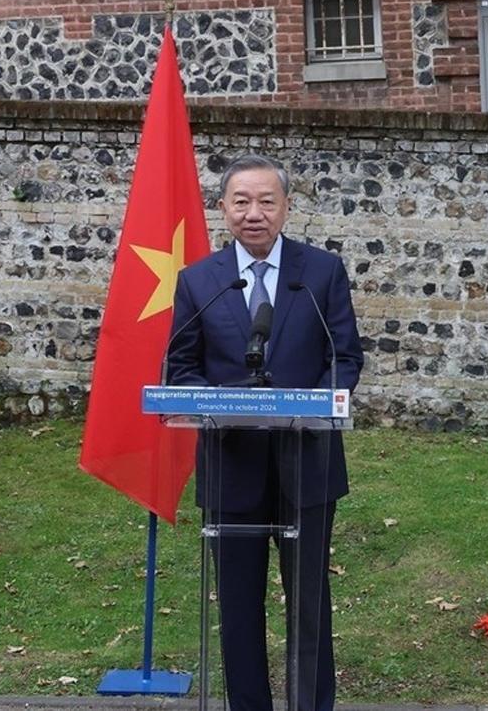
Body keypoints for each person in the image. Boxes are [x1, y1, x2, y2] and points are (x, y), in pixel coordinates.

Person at [167, 154, 364, 711]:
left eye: (266, 201)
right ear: (224, 209)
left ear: (285, 207)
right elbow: (182, 366)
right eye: (241, 202)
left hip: (308, 464)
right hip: (232, 464)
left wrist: (320, 402)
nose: (254, 213)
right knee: (238, 604)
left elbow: (343, 357)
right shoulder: (199, 281)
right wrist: (217, 403)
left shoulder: (321, 272)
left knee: (308, 603)